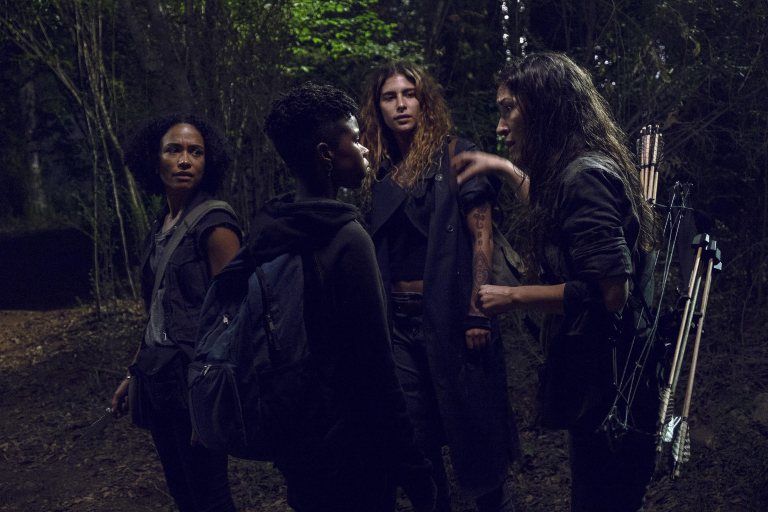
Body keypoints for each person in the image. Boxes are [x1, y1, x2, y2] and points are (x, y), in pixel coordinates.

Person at [454, 52, 659, 512]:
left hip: (614, 383)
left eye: (508, 109)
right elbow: (559, 211)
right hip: (604, 378)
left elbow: (611, 293)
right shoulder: (577, 171)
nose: (500, 126)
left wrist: (512, 296)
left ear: (544, 107)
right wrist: (503, 168)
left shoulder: (585, 176)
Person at [257, 82, 436, 512]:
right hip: (353, 452)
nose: (365, 149)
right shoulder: (346, 238)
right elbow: (376, 367)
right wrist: (414, 468)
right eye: (354, 140)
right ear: (326, 154)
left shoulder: (271, 228)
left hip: (299, 441)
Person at [360, 61, 517, 512]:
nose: (401, 104)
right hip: (399, 323)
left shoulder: (455, 154)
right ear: (378, 107)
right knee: (415, 434)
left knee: (476, 429)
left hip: (453, 315)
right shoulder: (376, 170)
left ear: (424, 101)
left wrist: (478, 310)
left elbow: (481, 234)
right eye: (390, 97)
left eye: (409, 94)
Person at [111, 113, 241, 512]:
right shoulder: (161, 225)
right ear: (155, 161)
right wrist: (133, 372)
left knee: (210, 494)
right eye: (174, 150)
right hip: (159, 378)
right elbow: (157, 310)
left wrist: (211, 399)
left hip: (195, 380)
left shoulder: (217, 226)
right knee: (183, 492)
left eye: (195, 152)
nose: (185, 160)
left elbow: (234, 316)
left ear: (207, 162)